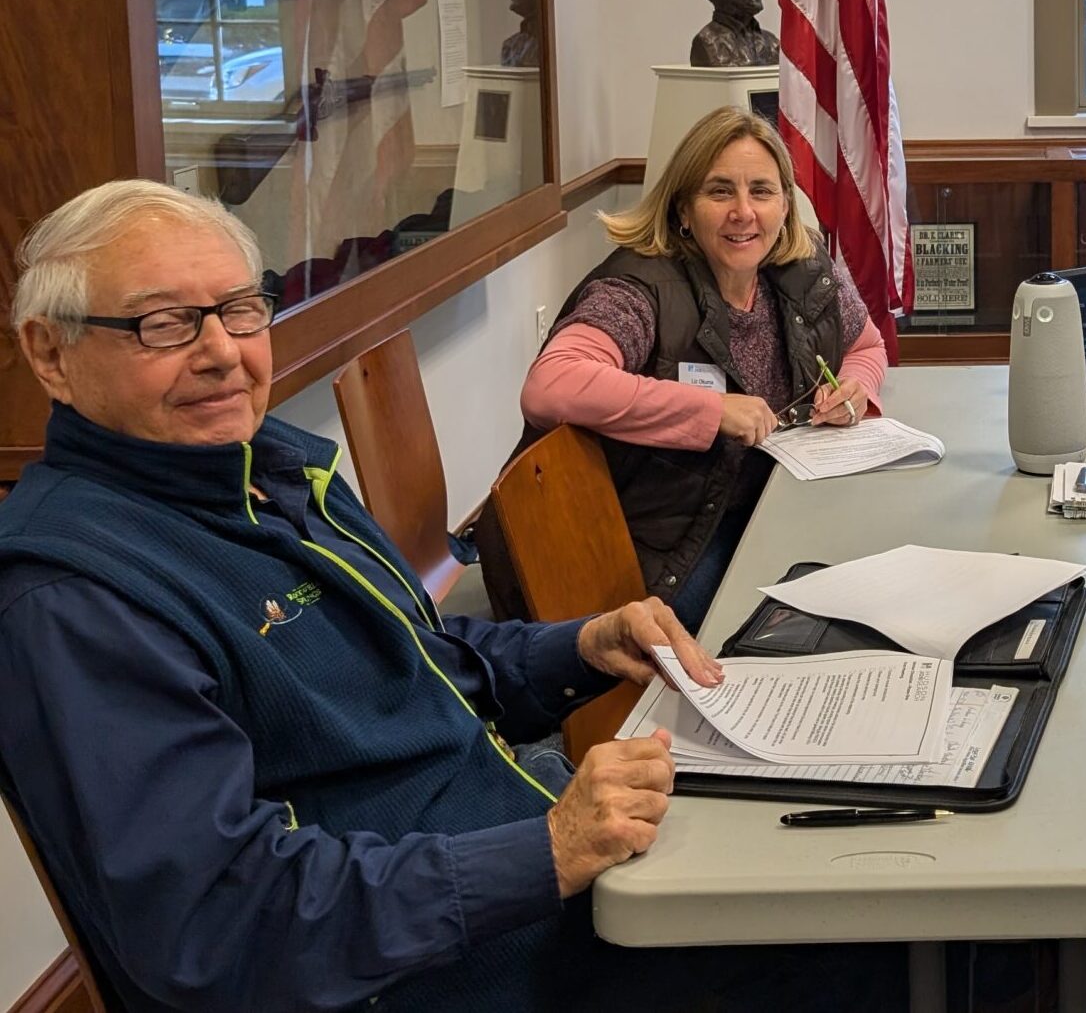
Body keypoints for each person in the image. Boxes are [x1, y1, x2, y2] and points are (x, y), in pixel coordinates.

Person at [0, 180, 902, 1011]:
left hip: (518, 846)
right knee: (878, 943)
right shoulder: (75, 598)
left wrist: (580, 646)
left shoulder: (272, 473)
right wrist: (544, 854)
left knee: (871, 866)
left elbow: (422, 667)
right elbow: (214, 927)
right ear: (51, 354)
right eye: (165, 324)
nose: (223, 355)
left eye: (240, 311)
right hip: (444, 965)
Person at [521, 106, 888, 629]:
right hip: (666, 541)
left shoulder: (802, 269)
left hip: (771, 507)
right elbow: (550, 384)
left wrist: (856, 389)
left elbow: (868, 347)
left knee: (871, 579)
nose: (744, 211)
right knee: (797, 621)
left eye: (761, 191)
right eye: (720, 192)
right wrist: (710, 409)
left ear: (785, 203)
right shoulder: (640, 289)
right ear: (683, 210)